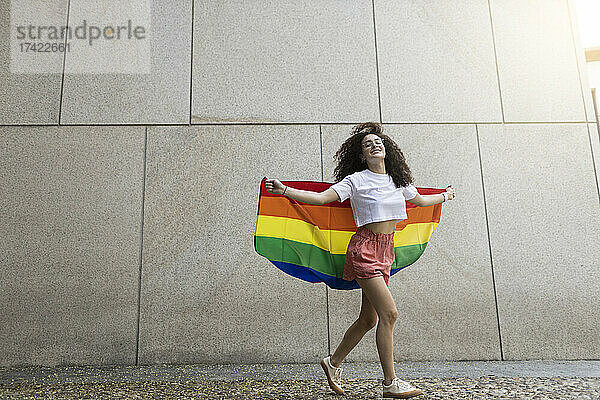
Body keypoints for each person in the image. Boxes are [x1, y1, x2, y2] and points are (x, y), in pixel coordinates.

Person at [265, 122, 456, 398]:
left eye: (378, 142)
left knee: (368, 319)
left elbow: (423, 202)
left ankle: (332, 362)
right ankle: (390, 383)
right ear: (361, 155)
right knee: (389, 313)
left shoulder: (398, 181)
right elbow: (320, 199)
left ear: (387, 149)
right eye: (368, 144)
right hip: (364, 250)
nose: (374, 145)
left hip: (385, 251)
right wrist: (285, 191)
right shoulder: (356, 181)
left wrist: (446, 196)